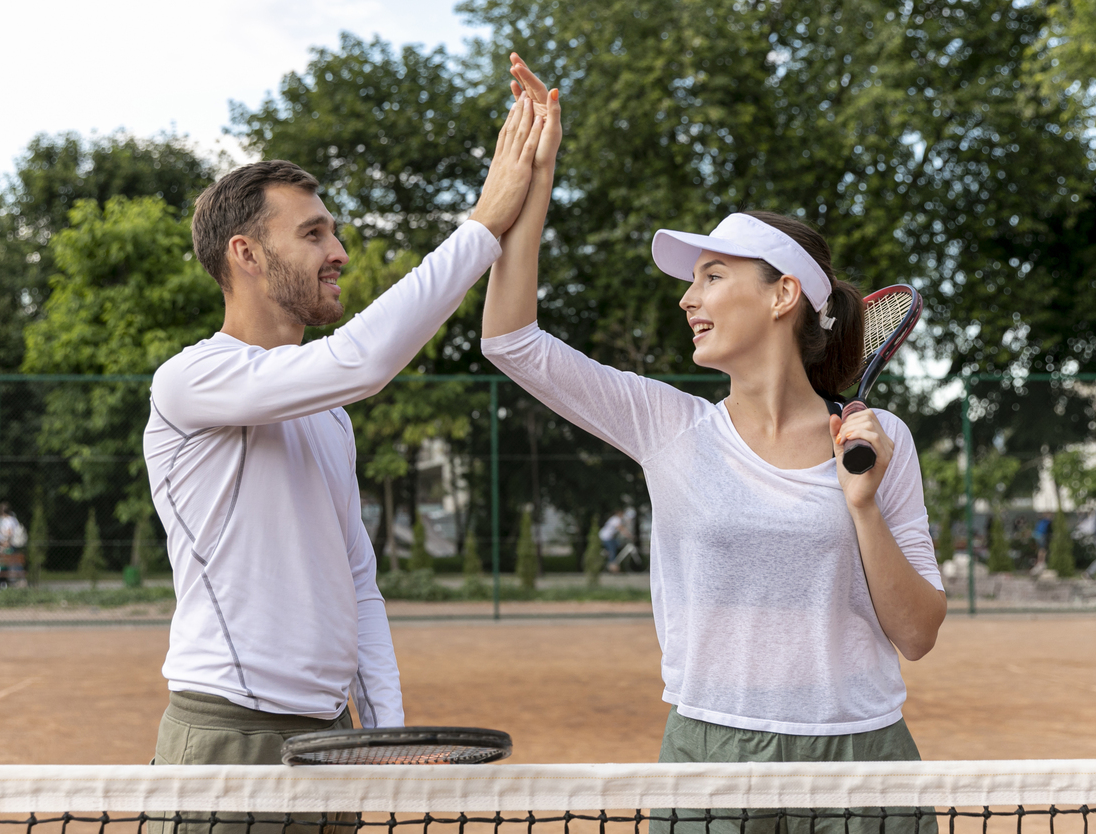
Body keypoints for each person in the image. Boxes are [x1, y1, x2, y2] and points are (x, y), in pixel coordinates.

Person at [482, 55, 945, 834]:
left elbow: (918, 633)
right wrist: (532, 185)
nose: (688, 298)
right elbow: (512, 343)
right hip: (710, 755)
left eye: (712, 276)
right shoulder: (669, 425)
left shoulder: (881, 440)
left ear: (783, 294)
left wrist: (861, 506)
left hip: (862, 763)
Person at [141, 91, 546, 806]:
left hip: (335, 738)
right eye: (314, 234)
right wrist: (484, 224)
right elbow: (362, 360)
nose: (339, 253)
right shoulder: (189, 380)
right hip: (231, 735)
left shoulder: (328, 416)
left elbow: (359, 583)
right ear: (246, 254)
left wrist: (386, 733)